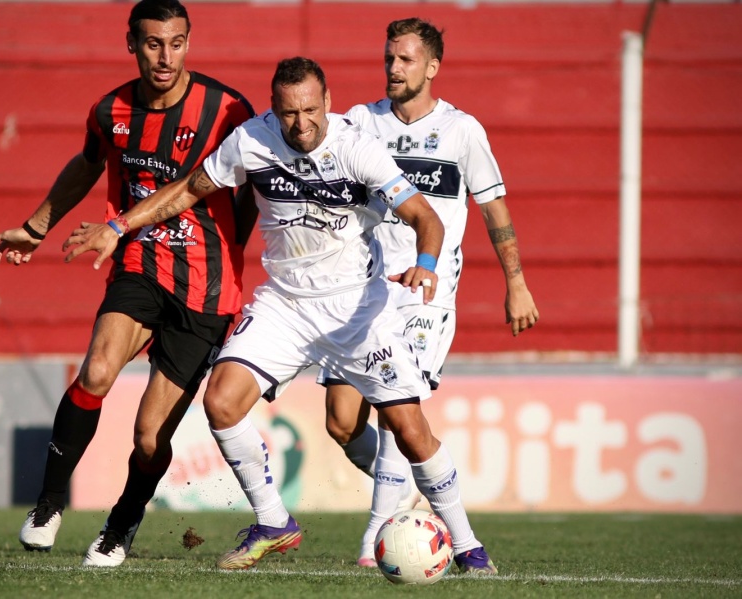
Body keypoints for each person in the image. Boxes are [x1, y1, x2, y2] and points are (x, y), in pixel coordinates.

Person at [62, 56, 496, 574]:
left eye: (311, 110)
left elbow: (425, 217)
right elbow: (187, 190)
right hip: (285, 304)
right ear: (274, 108)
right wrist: (119, 225)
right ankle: (273, 522)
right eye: (289, 113)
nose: (301, 123)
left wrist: (426, 265)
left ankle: (469, 546)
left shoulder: (359, 149)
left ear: (328, 104)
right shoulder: (251, 141)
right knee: (221, 402)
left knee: (409, 430)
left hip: (356, 307)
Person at [0, 0, 255, 566]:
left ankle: (122, 523)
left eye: (177, 42)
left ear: (189, 41)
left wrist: (237, 247)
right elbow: (87, 163)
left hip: (208, 289)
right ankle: (49, 501)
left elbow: (254, 187)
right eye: (153, 43)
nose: (166, 56)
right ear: (130, 43)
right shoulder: (110, 110)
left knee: (149, 437)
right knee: (99, 370)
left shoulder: (227, 109)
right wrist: (38, 226)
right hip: (138, 263)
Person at [322, 18, 539, 569]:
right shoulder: (359, 123)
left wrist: (515, 282)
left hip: (427, 294)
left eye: (407, 60)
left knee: (398, 409)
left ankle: (378, 538)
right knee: (341, 422)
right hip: (363, 291)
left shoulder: (462, 130)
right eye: (389, 58)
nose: (394, 68)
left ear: (432, 67)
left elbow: (494, 210)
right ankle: (416, 492)